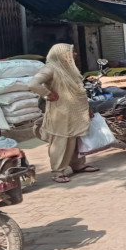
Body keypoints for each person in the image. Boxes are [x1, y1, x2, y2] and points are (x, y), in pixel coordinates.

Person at [29, 43, 98, 183]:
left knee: (75, 140)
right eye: (72, 52)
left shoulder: (70, 69)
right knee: (61, 141)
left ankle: (78, 165)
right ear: (61, 55)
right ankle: (58, 172)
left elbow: (79, 91)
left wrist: (88, 109)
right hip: (60, 113)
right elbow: (33, 84)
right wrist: (47, 94)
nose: (75, 54)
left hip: (76, 112)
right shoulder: (50, 68)